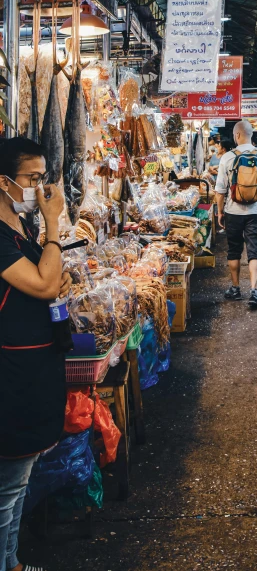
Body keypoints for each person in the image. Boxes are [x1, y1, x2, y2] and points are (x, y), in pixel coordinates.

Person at [0, 137, 72, 571]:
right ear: (3, 181)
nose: (40, 188)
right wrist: (53, 226)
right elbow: (44, 284)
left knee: (17, 486)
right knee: (6, 492)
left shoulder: (18, 226)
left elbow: (46, 281)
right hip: (12, 375)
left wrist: (54, 278)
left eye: (43, 177)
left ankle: (13, 563)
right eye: (31, 178)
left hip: (33, 367)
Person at [215, 120, 257, 309]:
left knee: (234, 249)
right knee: (254, 249)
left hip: (233, 211)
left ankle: (235, 287)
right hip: (256, 211)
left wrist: (219, 212)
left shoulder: (227, 157)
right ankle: (255, 290)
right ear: (251, 134)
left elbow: (220, 190)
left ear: (237, 135)